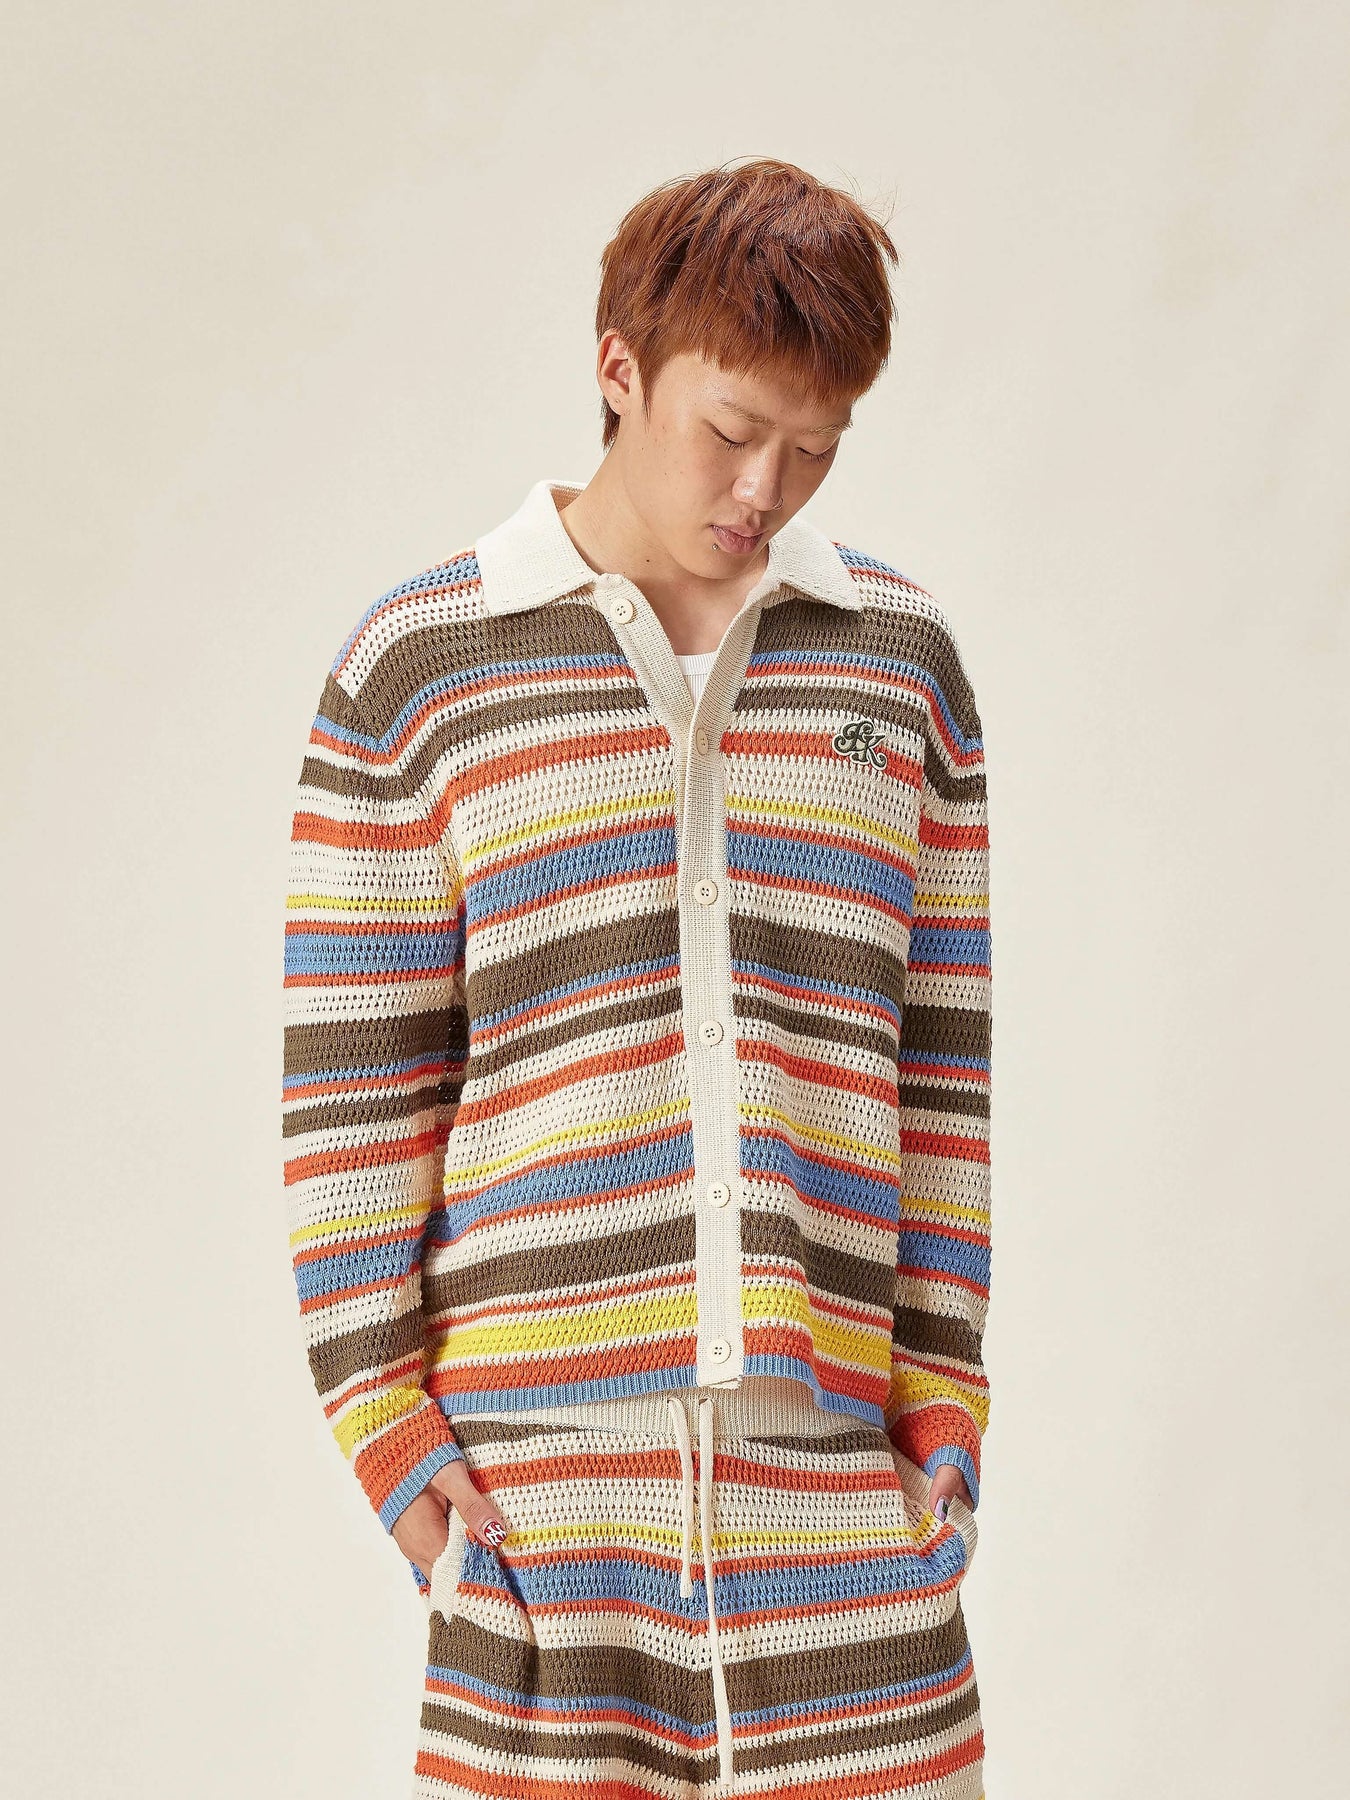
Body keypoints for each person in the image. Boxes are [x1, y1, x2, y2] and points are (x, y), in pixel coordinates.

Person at [283, 156, 992, 1800]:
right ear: (620, 369)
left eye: (812, 448)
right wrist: (385, 1431)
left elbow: (941, 1073)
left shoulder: (897, 665)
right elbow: (354, 1094)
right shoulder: (418, 671)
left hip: (839, 1494)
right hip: (541, 1518)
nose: (764, 487)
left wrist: (940, 1397)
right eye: (730, 430)